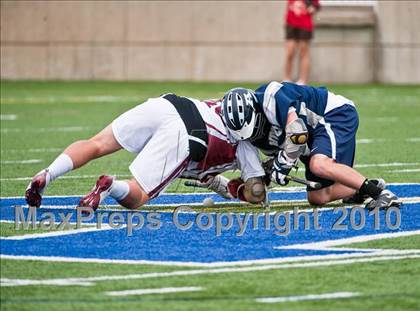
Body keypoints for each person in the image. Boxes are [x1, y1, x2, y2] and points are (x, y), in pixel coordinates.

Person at [25, 94, 267, 210]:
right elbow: (257, 192)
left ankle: (47, 174)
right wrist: (240, 189)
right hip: (189, 133)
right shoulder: (246, 145)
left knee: (97, 143)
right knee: (138, 195)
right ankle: (110, 187)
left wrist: (224, 186)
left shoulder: (220, 102)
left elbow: (208, 176)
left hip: (169, 105)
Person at [221, 82, 401, 209]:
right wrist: (265, 174)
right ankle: (364, 186)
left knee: (319, 164)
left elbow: (298, 133)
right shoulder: (250, 134)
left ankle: (381, 194)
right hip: (312, 133)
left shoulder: (270, 97)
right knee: (318, 197)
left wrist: (283, 164)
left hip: (332, 114)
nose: (253, 135)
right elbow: (288, 145)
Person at [284, 0, 320, 85]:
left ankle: (303, 80)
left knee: (304, 53)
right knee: (290, 52)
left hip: (305, 24)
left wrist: (312, 8)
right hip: (291, 23)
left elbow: (316, 6)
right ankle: (286, 79)